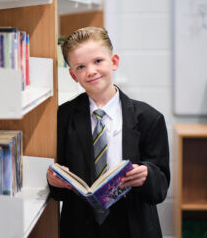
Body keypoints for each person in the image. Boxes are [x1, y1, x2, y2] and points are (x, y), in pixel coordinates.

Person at [47, 27, 170, 238]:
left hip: (132, 225)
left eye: (98, 61)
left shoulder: (150, 118)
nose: (91, 71)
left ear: (113, 61)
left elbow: (160, 188)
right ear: (73, 75)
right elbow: (58, 190)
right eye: (81, 66)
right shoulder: (62, 117)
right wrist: (53, 181)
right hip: (80, 226)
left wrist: (147, 175)